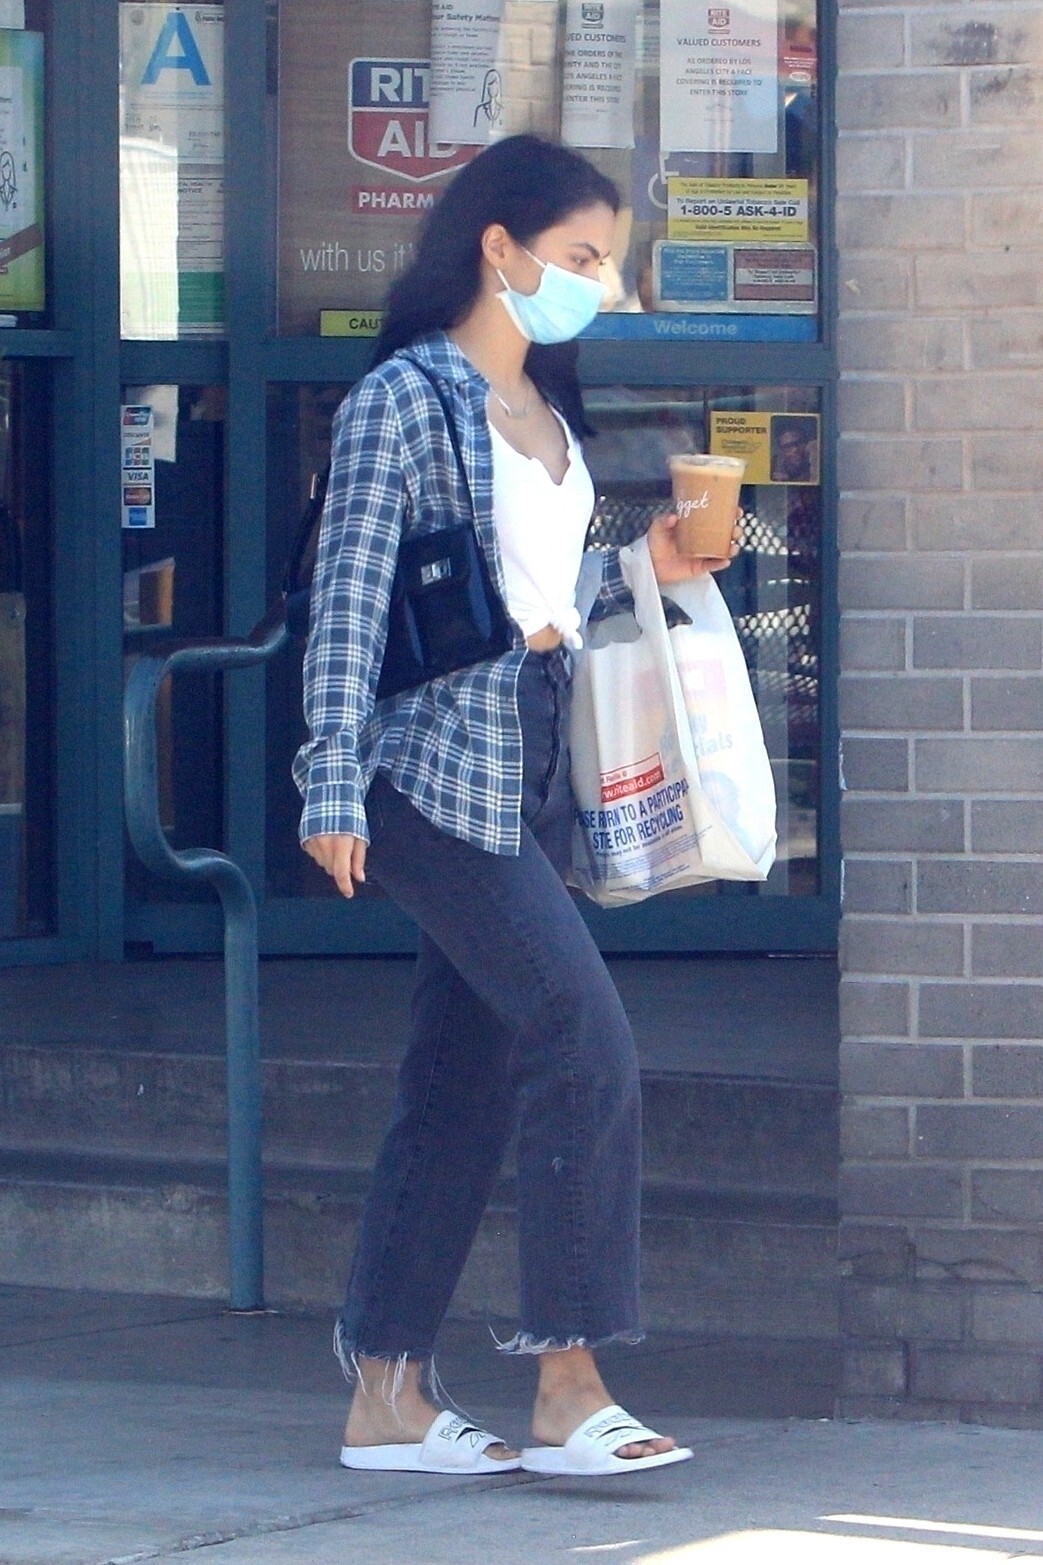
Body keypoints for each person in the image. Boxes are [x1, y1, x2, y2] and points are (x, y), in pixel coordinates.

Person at [294, 134, 739, 1480]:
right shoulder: (404, 400)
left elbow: (534, 608)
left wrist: (644, 564)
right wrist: (329, 775)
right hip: (428, 772)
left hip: (530, 753)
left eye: (609, 263)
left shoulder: (541, 404)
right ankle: (566, 1383)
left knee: (459, 1083)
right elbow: (347, 599)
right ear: (499, 247)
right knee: (580, 1038)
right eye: (580, 256)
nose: (597, 283)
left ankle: (384, 1395)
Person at [770, 414, 818, 484]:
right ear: (781, 449)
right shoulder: (774, 465)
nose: (795, 449)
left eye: (800, 442)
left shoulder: (815, 458)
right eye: (788, 446)